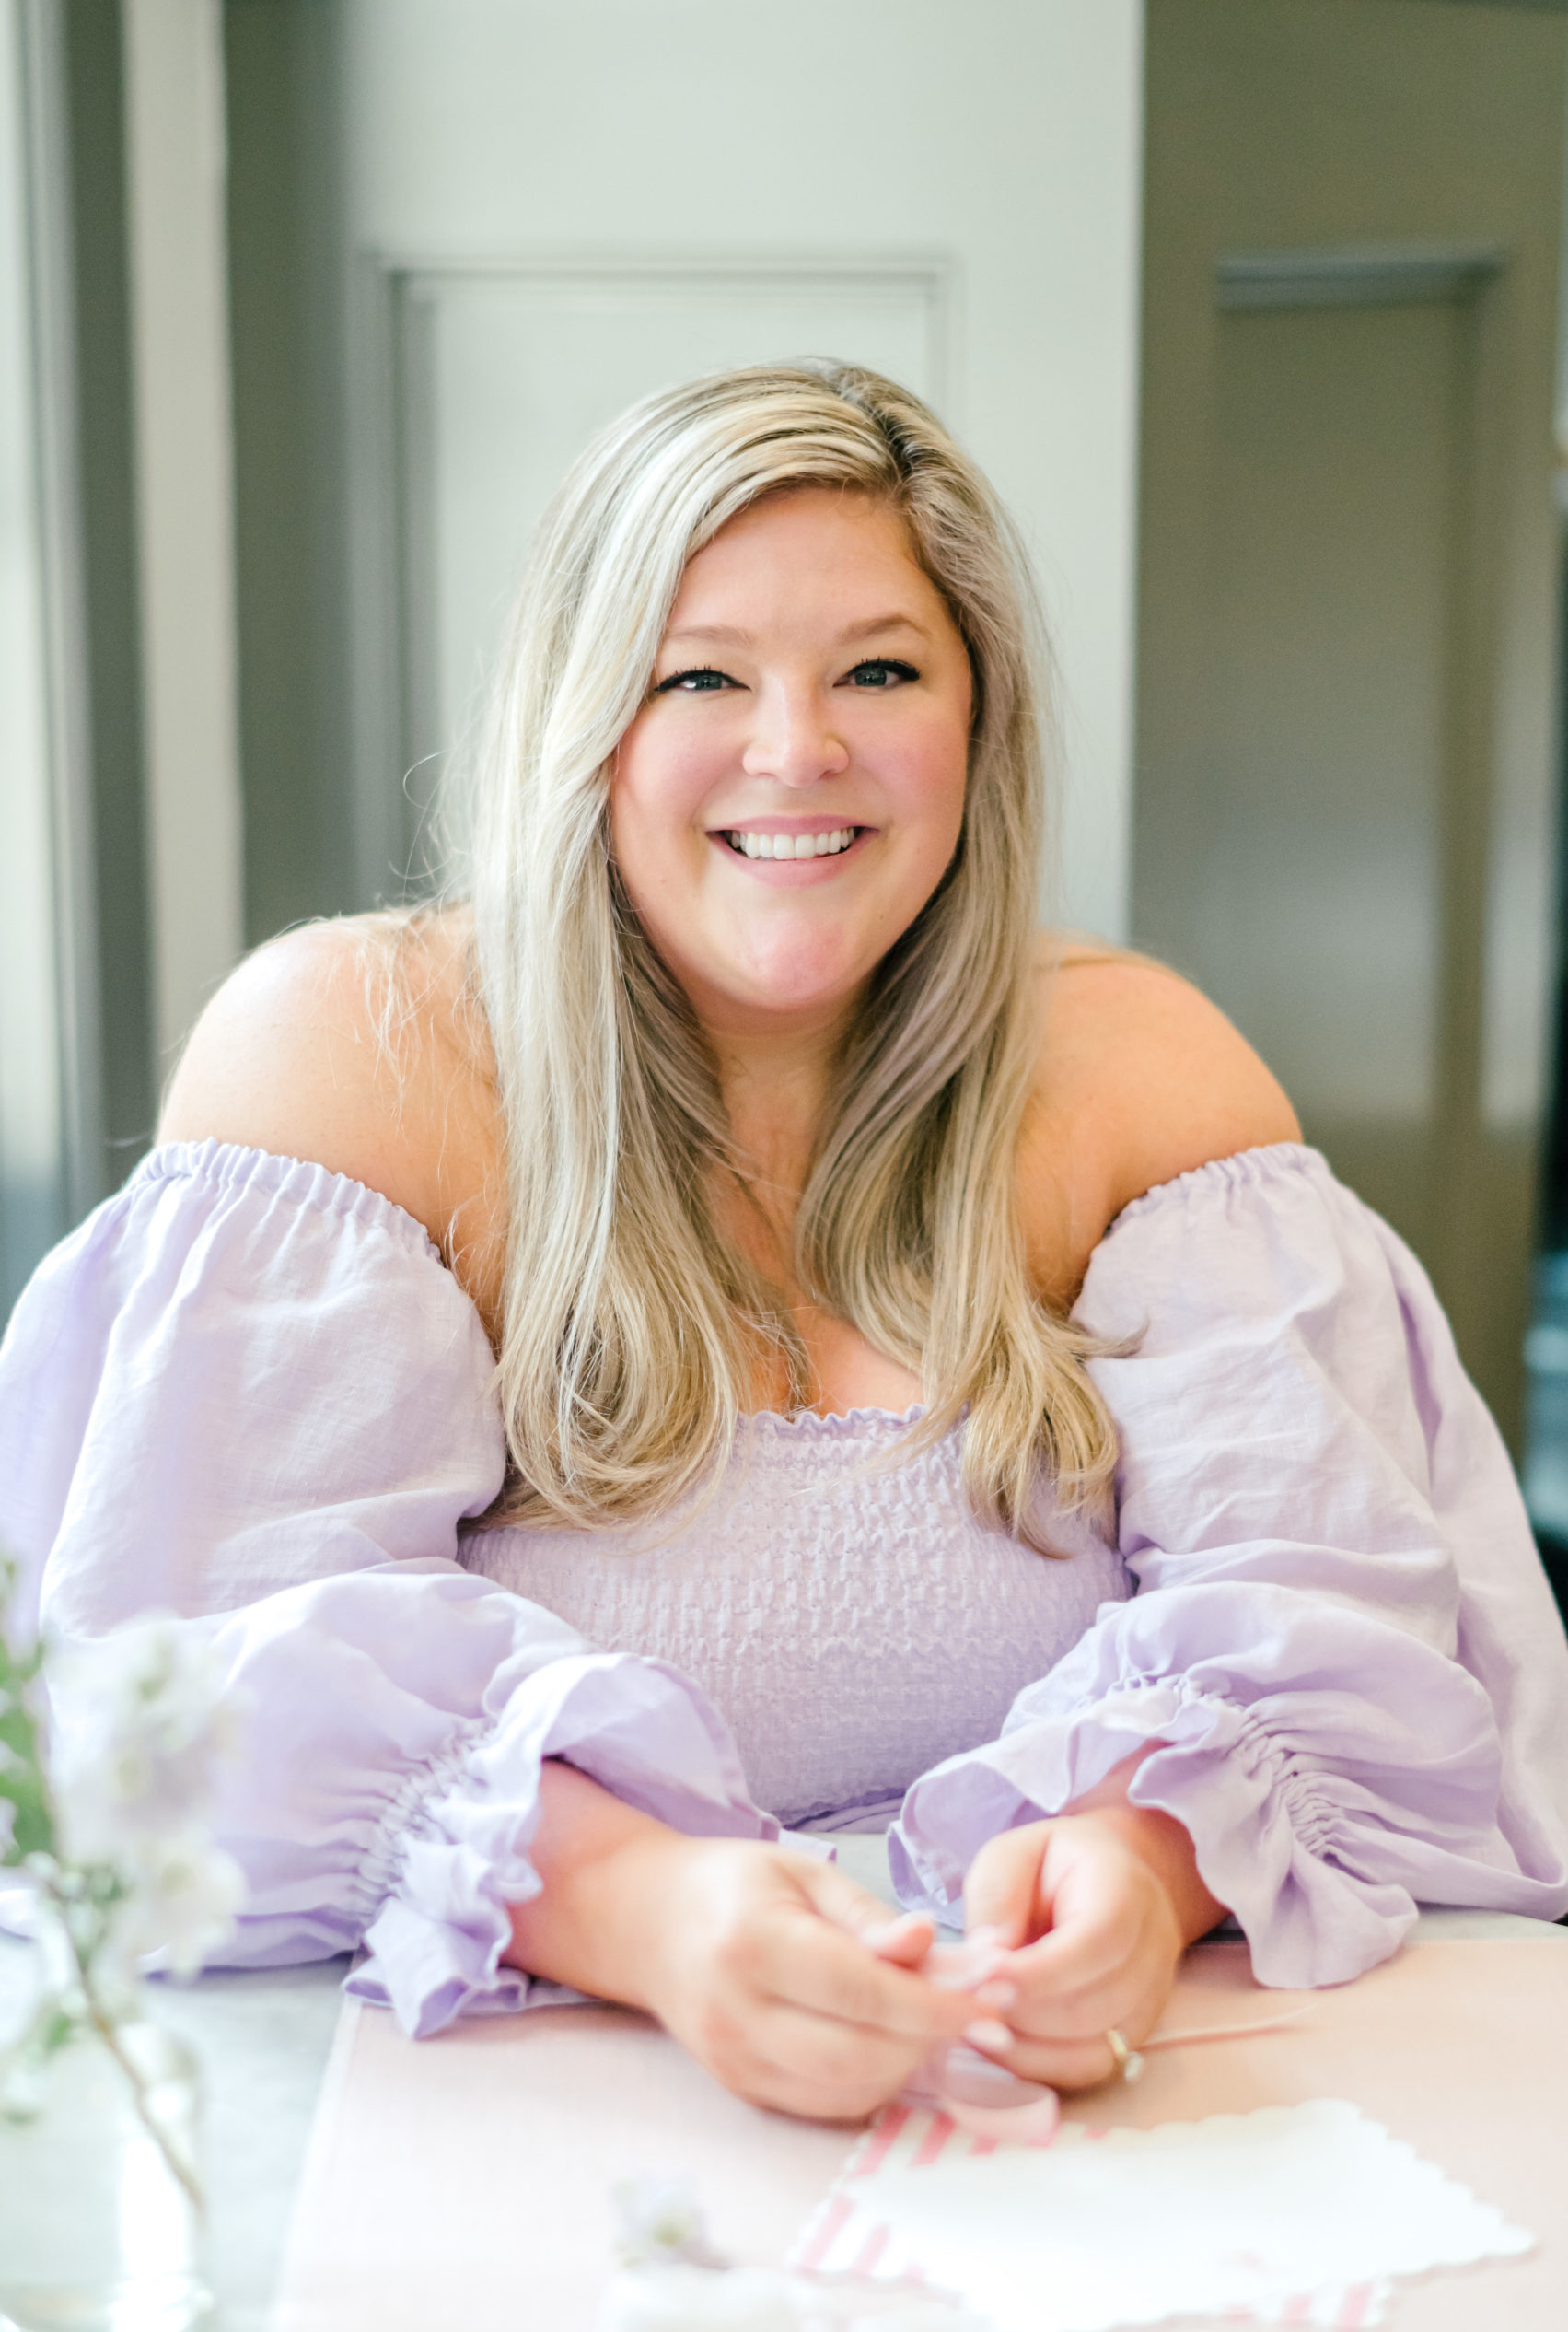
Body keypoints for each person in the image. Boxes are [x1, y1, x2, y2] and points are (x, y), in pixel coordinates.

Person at [3, 362, 1566, 2126]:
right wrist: (646, 1909)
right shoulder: (349, 1057)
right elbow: (187, 1699)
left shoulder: (1142, 1073)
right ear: (581, 722)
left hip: (1061, 2146)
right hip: (488, 2122)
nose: (796, 750)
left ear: (979, 720)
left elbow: (1334, 1613)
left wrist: (1142, 1864)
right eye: (701, 676)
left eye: (880, 670)